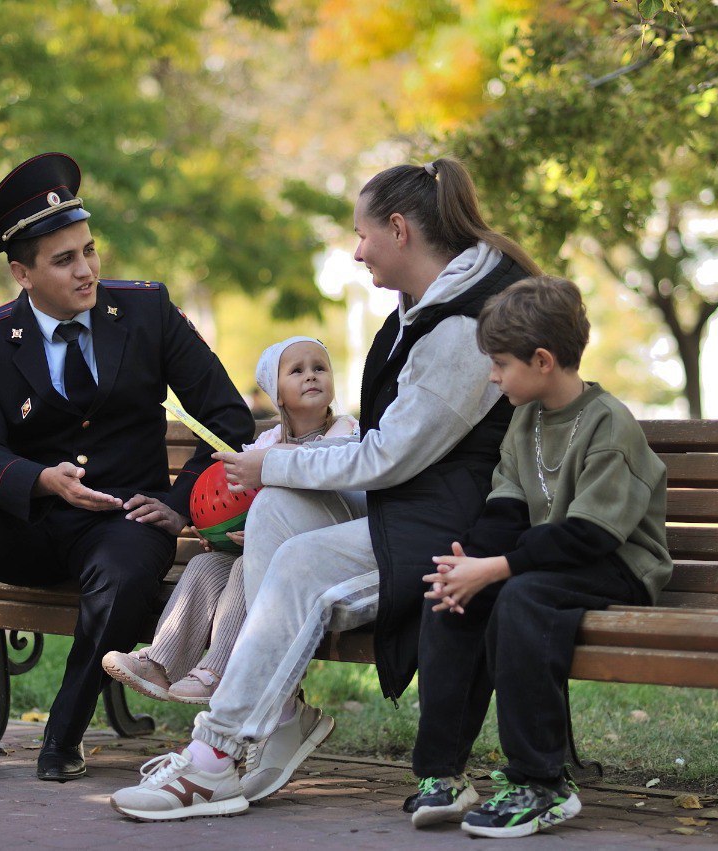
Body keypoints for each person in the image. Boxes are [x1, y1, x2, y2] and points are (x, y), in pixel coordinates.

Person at [110, 157, 542, 822]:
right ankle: (277, 715)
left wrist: (273, 463)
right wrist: (277, 474)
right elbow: (392, 455)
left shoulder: (466, 326)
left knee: (302, 562)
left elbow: (391, 457)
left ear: (399, 230)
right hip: (414, 509)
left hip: (466, 527)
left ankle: (213, 757)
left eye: (363, 234)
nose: (356, 248)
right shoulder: (425, 308)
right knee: (280, 510)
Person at [0, 153, 253, 786]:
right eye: (64, 261)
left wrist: (178, 500)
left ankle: (65, 732)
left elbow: (229, 419)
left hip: (124, 521)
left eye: (88, 251)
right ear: (21, 274)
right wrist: (39, 480)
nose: (86, 270)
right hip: (30, 521)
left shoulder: (147, 312)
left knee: (120, 573)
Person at [420, 276, 671, 838]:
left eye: (501, 363)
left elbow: (590, 536)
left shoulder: (609, 424)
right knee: (449, 596)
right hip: (552, 558)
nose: (492, 375)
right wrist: (469, 567)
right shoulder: (525, 421)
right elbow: (507, 510)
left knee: (521, 598)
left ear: (542, 360)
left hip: (618, 562)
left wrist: (499, 569)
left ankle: (542, 783)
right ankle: (443, 773)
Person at [101, 336, 359, 704]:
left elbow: (330, 463)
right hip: (268, 549)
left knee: (245, 568)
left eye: (320, 368)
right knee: (207, 563)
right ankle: (161, 662)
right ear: (278, 394)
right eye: (297, 371)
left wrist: (270, 478)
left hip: (322, 554)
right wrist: (217, 530)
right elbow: (234, 496)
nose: (311, 376)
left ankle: (221, 671)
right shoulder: (266, 440)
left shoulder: (344, 430)